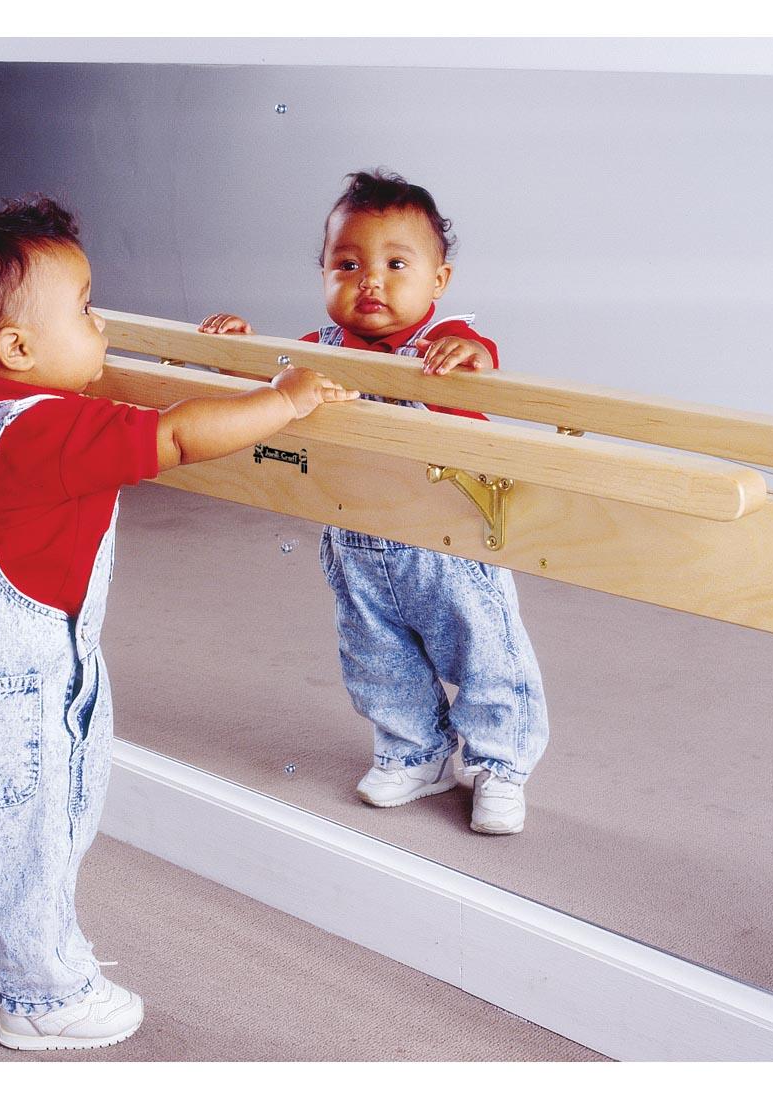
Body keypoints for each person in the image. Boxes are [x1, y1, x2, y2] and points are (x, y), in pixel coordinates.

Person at [0, 196, 358, 1052]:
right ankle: (46, 996)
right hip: (5, 697)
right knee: (31, 842)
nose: (103, 322)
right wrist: (282, 401)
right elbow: (177, 436)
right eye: (87, 308)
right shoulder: (53, 428)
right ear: (20, 350)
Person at [199, 169, 548, 836]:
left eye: (395, 264)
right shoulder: (315, 355)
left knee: (484, 653)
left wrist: (469, 352)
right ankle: (415, 752)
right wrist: (232, 349)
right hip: (356, 542)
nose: (370, 281)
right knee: (376, 656)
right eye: (347, 264)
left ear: (438, 282)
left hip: (451, 546)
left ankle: (500, 763)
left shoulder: (444, 351)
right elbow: (261, 386)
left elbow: (485, 370)